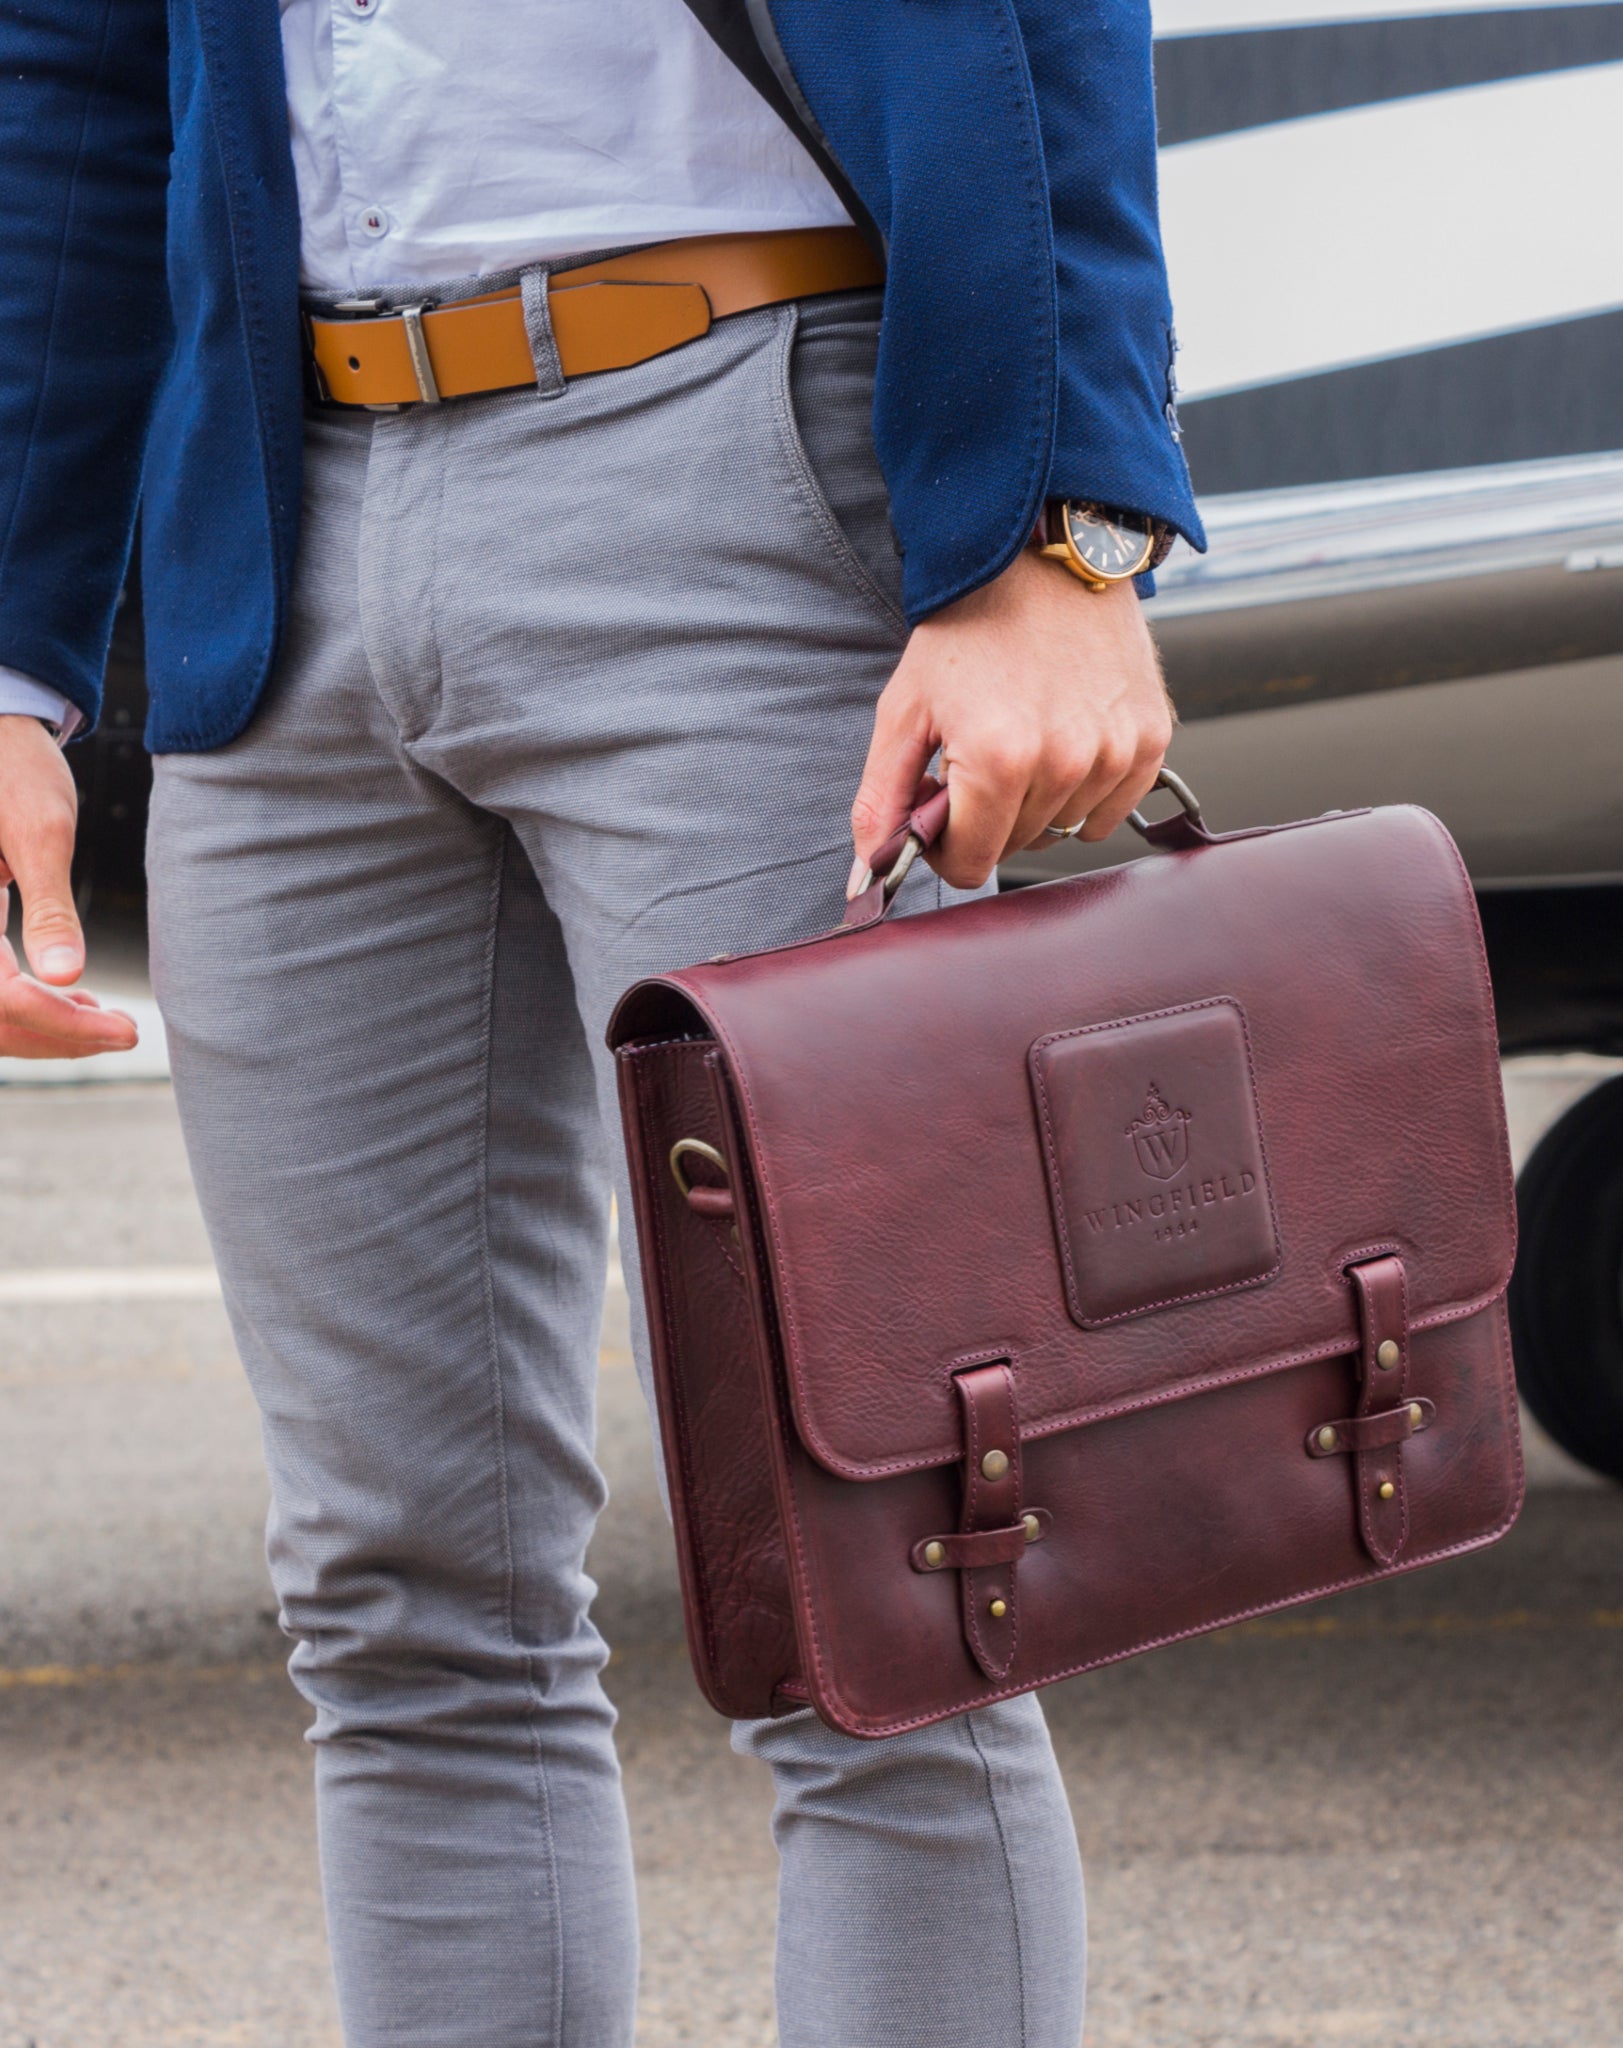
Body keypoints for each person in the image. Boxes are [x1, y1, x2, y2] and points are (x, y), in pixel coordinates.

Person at [0, 2, 1201, 2041]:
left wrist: (1067, 527)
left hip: (743, 443)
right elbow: (69, 69)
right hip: (279, 537)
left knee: (872, 1586)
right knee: (398, 1597)